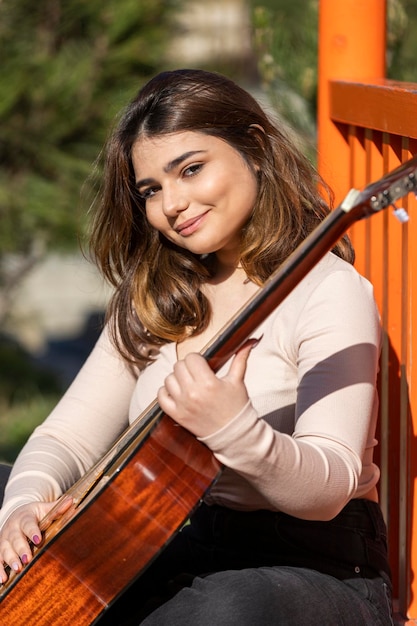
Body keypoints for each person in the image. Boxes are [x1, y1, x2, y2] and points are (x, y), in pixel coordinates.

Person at [0, 69, 393, 625]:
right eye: (152, 190)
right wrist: (20, 513)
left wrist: (236, 429)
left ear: (254, 148)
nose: (173, 204)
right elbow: (66, 436)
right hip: (174, 543)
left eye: (191, 170)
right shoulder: (158, 294)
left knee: (221, 611)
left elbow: (330, 486)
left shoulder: (328, 289)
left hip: (313, 566)